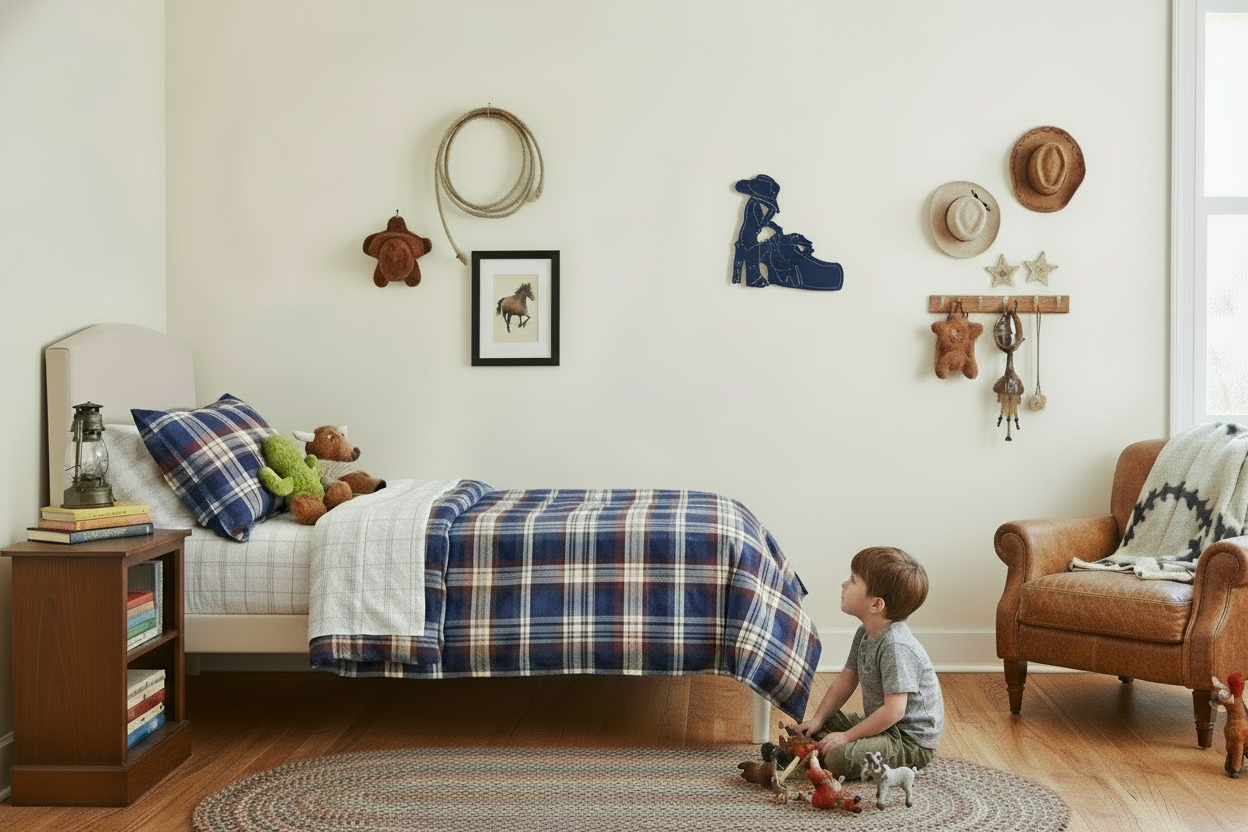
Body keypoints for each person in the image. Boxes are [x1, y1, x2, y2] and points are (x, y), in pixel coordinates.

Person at [795, 546, 943, 780]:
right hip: (887, 726)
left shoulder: (896, 646)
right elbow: (845, 680)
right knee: (821, 723)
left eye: (853, 580)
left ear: (876, 605)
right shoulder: (865, 633)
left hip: (909, 741)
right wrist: (817, 719)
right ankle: (832, 741)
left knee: (837, 758)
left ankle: (849, 754)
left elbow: (894, 711)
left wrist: (846, 737)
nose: (844, 584)